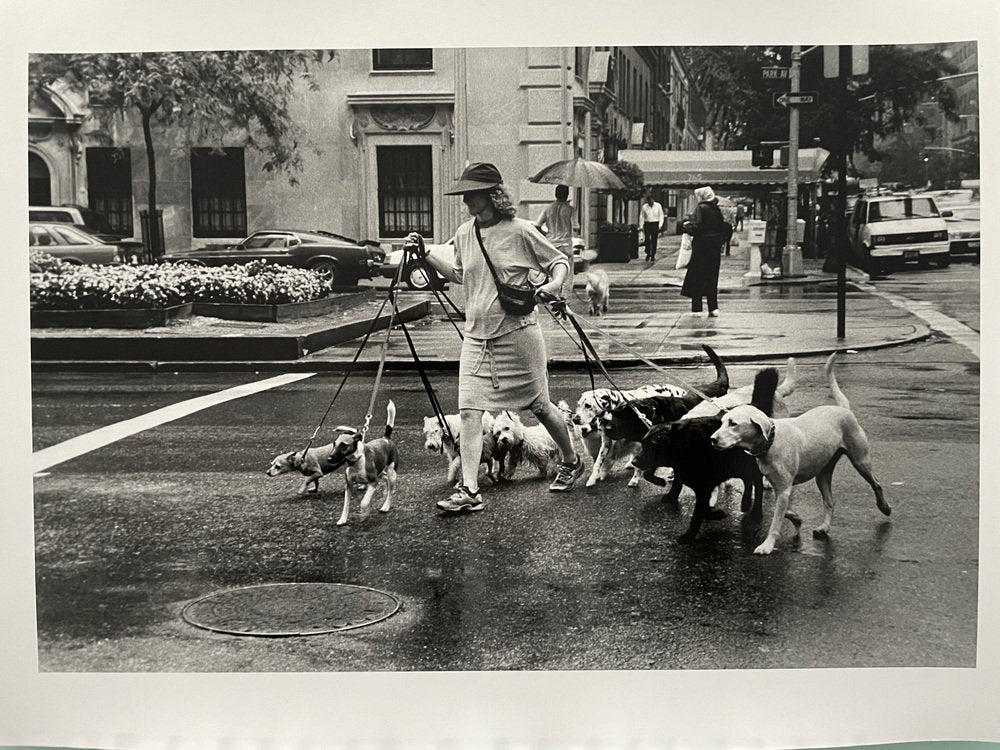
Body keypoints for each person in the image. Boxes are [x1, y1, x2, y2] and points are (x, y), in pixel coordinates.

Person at [407, 162, 585, 513]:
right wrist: (426, 253)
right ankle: (470, 490)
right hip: (476, 338)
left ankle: (570, 459)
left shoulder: (520, 231)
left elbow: (559, 260)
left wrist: (552, 285)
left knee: (540, 406)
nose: (466, 202)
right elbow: (458, 273)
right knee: (469, 412)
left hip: (518, 334)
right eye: (465, 195)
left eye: (471, 194)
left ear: (491, 195)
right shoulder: (463, 233)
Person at [680, 185, 729, 318]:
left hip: (702, 246)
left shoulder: (701, 208)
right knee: (712, 276)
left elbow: (697, 226)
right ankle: (713, 307)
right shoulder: (716, 209)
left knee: (697, 276)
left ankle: (697, 308)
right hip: (715, 246)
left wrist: (687, 226)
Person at [534, 184, 579, 300]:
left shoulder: (548, 208)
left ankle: (553, 296)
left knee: (553, 272)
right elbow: (576, 227)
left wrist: (546, 235)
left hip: (552, 245)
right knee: (567, 274)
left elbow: (537, 225)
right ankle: (565, 298)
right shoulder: (571, 210)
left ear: (555, 194)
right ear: (567, 194)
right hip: (566, 245)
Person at [639, 193, 665, 261]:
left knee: (654, 240)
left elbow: (661, 216)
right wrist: (641, 225)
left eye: (651, 200)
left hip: (655, 223)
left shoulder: (658, 206)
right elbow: (642, 216)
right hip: (647, 224)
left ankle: (653, 254)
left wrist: (660, 225)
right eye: (649, 201)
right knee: (647, 239)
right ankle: (648, 253)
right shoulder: (644, 207)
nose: (650, 202)